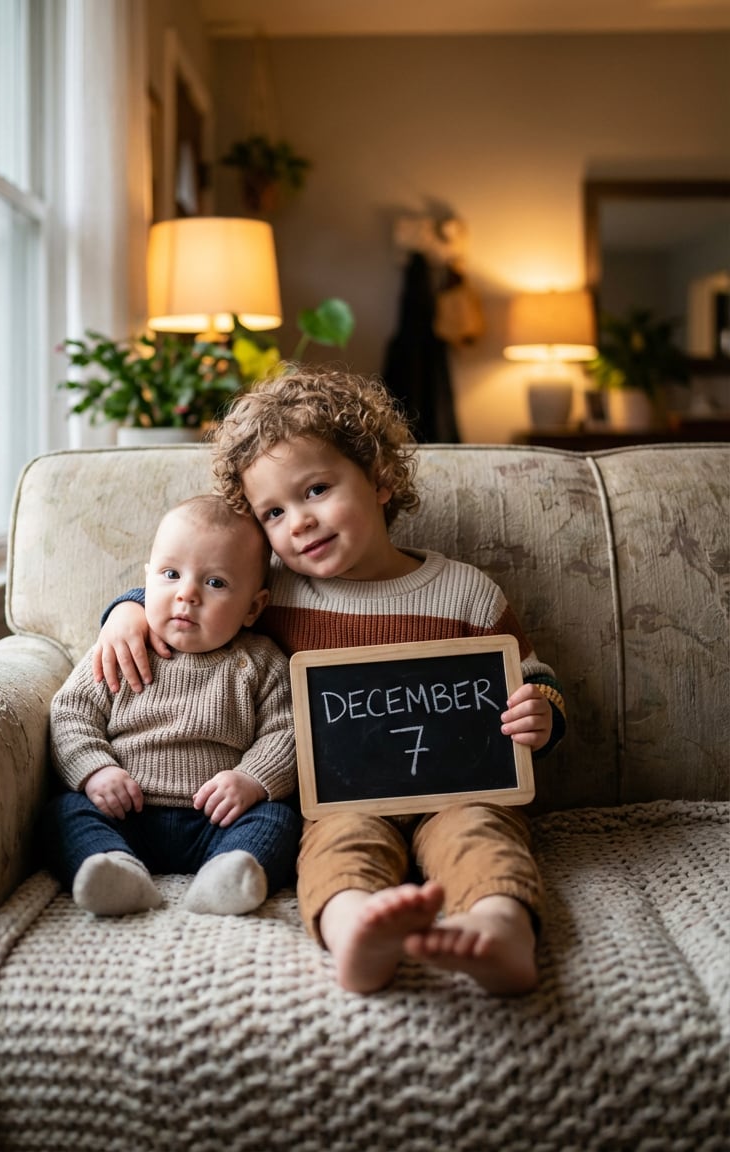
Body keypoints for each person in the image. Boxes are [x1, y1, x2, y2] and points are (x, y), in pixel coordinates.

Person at [92, 369, 566, 995]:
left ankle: (500, 931)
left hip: (460, 789)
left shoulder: (466, 592)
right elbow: (198, 597)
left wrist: (543, 713)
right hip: (343, 800)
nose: (299, 523)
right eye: (273, 512)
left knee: (483, 838)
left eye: (316, 489)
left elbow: (530, 677)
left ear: (380, 477)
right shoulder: (278, 596)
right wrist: (125, 608)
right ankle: (357, 936)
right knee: (335, 854)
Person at [41, 494, 300, 919]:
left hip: (217, 819)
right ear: (147, 582)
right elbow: (72, 712)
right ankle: (114, 870)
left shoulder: (261, 661)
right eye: (170, 574)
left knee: (277, 819)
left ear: (253, 607)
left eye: (215, 583)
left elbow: (287, 731)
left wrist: (252, 779)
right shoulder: (123, 648)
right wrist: (95, 770)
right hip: (125, 811)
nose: (187, 595)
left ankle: (227, 875)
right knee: (63, 814)